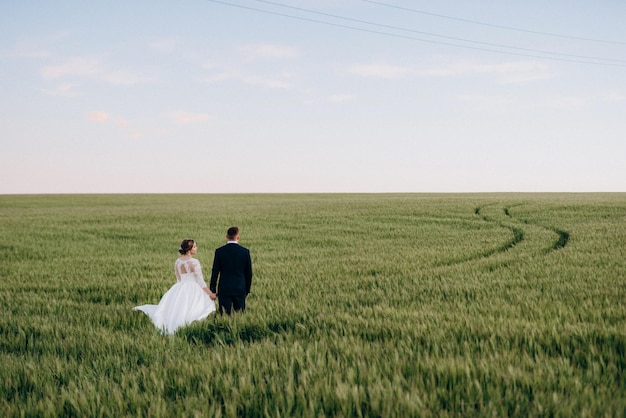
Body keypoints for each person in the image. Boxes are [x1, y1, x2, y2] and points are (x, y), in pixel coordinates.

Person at [133, 239, 216, 334]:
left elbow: (179, 278)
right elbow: (200, 282)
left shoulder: (178, 261)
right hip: (193, 288)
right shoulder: (194, 262)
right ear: (189, 249)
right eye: (194, 247)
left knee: (178, 307)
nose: (196, 248)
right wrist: (210, 294)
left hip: (179, 287)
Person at [209, 226, 253, 315]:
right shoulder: (245, 252)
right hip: (240, 288)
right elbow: (249, 273)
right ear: (238, 237)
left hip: (224, 288)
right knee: (240, 315)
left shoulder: (219, 251)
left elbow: (215, 271)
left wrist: (212, 289)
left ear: (226, 236)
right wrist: (247, 290)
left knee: (224, 315)